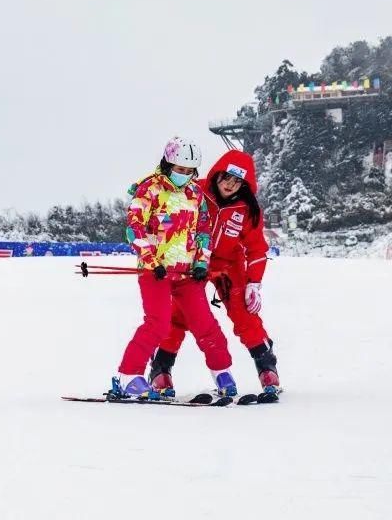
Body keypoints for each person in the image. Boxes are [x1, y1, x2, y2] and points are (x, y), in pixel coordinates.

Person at [111, 136, 237, 400]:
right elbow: (133, 229)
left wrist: (202, 262)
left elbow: (203, 230)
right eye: (180, 170)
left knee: (205, 324)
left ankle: (222, 372)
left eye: (190, 171)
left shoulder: (195, 194)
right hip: (156, 272)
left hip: (187, 273)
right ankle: (128, 376)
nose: (185, 175)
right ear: (168, 164)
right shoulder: (150, 190)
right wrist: (151, 261)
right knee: (158, 323)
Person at [148, 149, 281, 396]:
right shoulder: (194, 193)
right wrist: (160, 249)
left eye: (237, 181)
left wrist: (254, 282)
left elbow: (256, 248)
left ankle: (266, 365)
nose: (230, 185)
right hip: (195, 261)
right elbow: (168, 220)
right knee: (180, 314)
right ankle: (161, 368)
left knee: (244, 313)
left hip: (230, 265)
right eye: (226, 178)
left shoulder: (248, 209)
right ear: (216, 175)